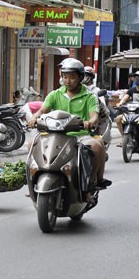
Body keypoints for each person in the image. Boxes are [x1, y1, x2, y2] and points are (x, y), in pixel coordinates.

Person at [27, 58, 110, 196]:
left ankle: (92, 182)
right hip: (55, 135)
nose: (68, 80)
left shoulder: (90, 97)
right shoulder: (55, 94)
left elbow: (94, 115)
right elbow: (42, 111)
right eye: (65, 77)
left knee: (97, 145)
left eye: (72, 77)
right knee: (32, 144)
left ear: (80, 77)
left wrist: (90, 121)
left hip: (81, 135)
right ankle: (33, 180)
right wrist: (34, 118)